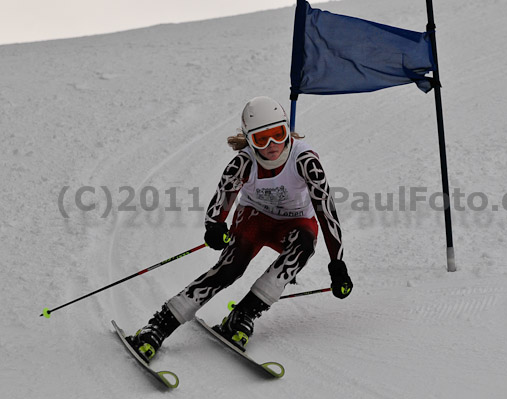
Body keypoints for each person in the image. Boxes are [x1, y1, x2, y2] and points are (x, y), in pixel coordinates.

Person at [127, 96, 353, 362]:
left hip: (294, 224)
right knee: (231, 268)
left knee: (305, 244)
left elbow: (326, 211)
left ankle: (243, 314)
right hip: (253, 219)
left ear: (286, 129)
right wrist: (215, 226)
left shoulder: (305, 161)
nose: (272, 146)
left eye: (278, 134)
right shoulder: (243, 162)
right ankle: (159, 325)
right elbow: (222, 199)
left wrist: (337, 264)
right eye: (261, 139)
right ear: (248, 139)